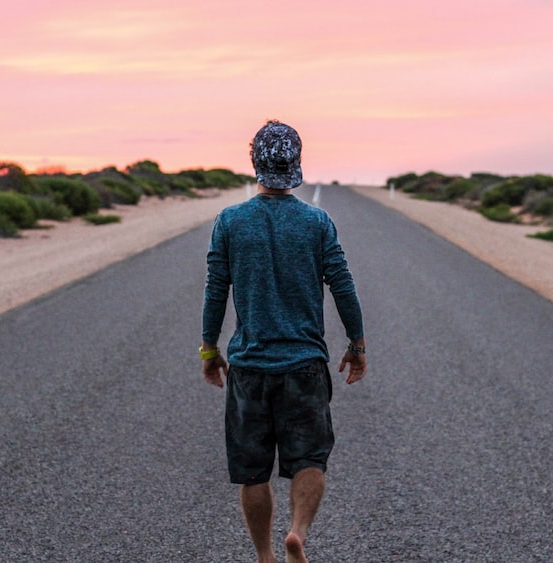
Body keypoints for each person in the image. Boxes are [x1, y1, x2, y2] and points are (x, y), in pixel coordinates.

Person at [200, 120, 367, 563]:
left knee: (252, 471)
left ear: (255, 162)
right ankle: (298, 533)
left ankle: (265, 557)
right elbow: (343, 285)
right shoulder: (316, 222)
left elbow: (216, 289)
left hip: (250, 366)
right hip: (304, 365)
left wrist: (209, 348)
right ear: (296, 164)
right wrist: (357, 344)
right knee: (310, 459)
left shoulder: (231, 221)